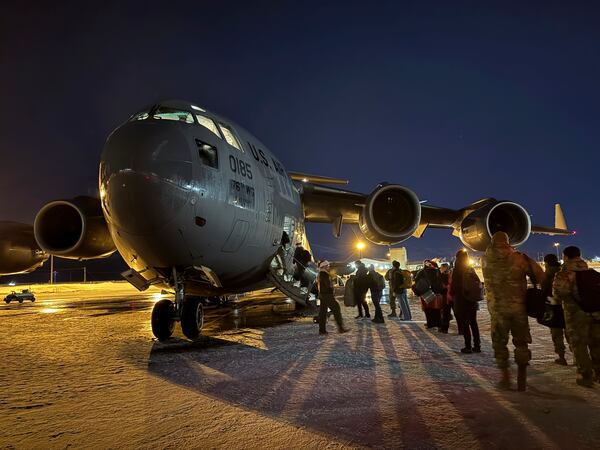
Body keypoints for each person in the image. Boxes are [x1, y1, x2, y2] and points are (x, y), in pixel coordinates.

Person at [482, 231, 544, 391]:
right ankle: (521, 377)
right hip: (518, 308)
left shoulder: (485, 259)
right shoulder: (518, 258)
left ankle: (505, 377)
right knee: (521, 342)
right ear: (508, 241)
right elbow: (540, 275)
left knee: (499, 343)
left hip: (497, 309)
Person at [553, 246, 600, 387]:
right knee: (597, 344)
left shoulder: (565, 274)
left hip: (576, 315)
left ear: (566, 257)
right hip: (596, 313)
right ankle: (599, 373)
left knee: (579, 346)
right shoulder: (591, 272)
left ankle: (585, 376)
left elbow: (558, 294)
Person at [542, 253, 571, 366]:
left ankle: (561, 356)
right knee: (569, 332)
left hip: (553, 307)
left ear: (547, 263)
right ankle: (576, 355)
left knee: (556, 333)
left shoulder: (547, 274)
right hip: (566, 307)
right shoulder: (563, 271)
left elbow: (544, 289)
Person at [451, 250, 481, 353]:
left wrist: (453, 296)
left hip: (462, 300)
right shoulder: (470, 269)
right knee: (474, 323)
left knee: (465, 324)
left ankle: (468, 347)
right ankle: (477, 346)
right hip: (472, 299)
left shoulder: (457, 270)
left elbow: (454, 287)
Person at [316, 260, 349, 335]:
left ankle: (322, 330)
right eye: (327, 266)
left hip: (323, 295)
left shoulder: (321, 274)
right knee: (336, 309)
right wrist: (332, 285)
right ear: (323, 266)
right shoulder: (324, 274)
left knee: (323, 312)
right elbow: (328, 285)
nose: (329, 267)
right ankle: (341, 328)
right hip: (327, 295)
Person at [415, 260, 443, 329]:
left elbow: (416, 280)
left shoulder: (422, 271)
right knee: (436, 308)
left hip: (426, 291)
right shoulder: (437, 271)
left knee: (428, 308)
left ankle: (430, 324)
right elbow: (440, 280)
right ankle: (438, 323)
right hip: (436, 292)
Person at [439, 263, 453, 333]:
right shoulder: (452, 274)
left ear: (444, 268)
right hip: (453, 295)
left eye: (441, 267)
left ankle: (444, 329)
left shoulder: (442, 275)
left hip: (446, 296)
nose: (440, 269)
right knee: (457, 312)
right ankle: (461, 329)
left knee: (445, 312)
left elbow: (440, 286)